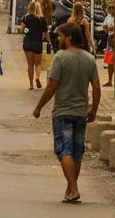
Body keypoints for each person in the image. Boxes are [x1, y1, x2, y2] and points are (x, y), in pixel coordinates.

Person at [31, 21, 100, 204]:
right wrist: (94, 109)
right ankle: (70, 190)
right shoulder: (89, 59)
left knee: (64, 151)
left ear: (69, 38)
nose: (58, 39)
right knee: (77, 153)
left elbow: (52, 86)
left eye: (61, 36)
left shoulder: (60, 58)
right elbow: (97, 87)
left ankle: (74, 188)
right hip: (80, 113)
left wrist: (39, 107)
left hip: (63, 112)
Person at [21, 0, 49, 90]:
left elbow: (22, 30)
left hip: (28, 42)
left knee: (30, 65)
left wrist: (28, 31)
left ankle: (31, 85)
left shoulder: (26, 18)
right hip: (37, 43)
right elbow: (46, 32)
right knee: (38, 64)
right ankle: (37, 77)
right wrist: (49, 42)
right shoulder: (42, 19)